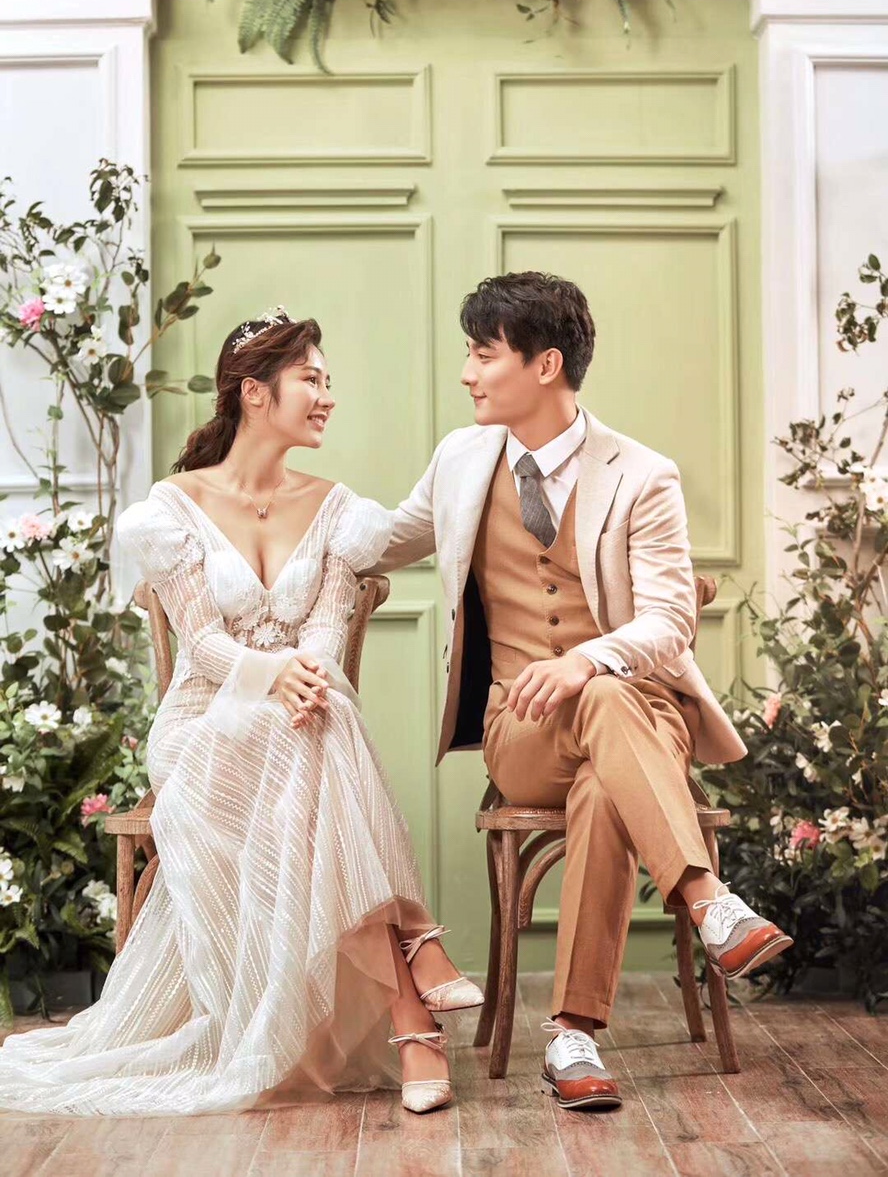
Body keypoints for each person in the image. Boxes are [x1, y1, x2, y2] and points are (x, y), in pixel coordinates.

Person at [0, 309, 481, 1117]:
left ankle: (411, 1012)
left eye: (328, 381)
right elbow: (202, 645)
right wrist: (274, 676)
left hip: (301, 718)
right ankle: (416, 958)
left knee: (318, 719)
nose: (327, 395)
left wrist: (303, 677)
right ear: (255, 393)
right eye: (311, 380)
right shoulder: (173, 507)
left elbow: (325, 633)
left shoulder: (338, 510)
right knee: (312, 724)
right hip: (203, 725)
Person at [370, 272, 792, 1111]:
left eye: (483, 354)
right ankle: (708, 902)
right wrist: (251, 507)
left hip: (639, 714)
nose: (467, 373)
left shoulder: (642, 475)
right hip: (523, 732)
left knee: (605, 756)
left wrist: (586, 660)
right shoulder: (461, 461)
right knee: (599, 715)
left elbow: (669, 622)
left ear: (545, 365)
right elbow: (380, 539)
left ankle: (572, 1038)